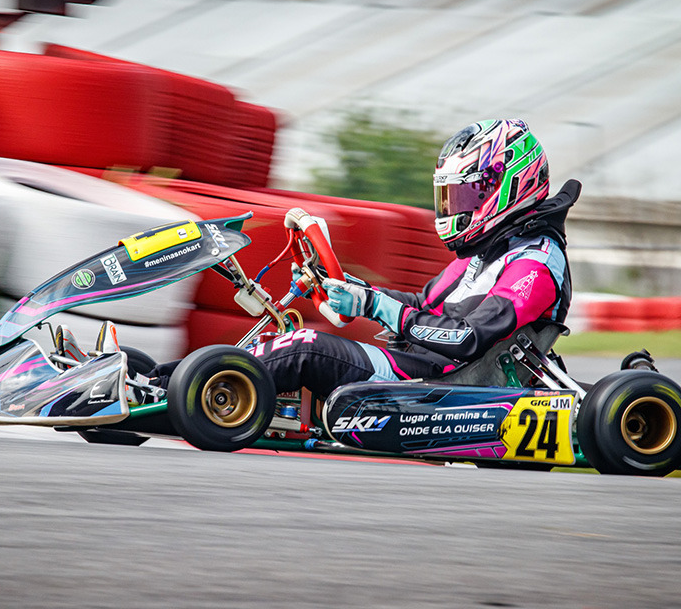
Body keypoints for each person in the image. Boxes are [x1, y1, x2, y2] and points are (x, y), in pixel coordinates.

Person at [243, 118, 578, 399]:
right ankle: (220, 382)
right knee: (285, 341)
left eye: (465, 195)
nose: (454, 207)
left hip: (446, 384)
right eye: (450, 197)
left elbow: (467, 338)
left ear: (510, 184)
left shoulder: (535, 262)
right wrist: (356, 290)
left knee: (307, 349)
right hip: (423, 365)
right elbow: (424, 304)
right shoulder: (488, 248)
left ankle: (215, 384)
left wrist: (376, 306)